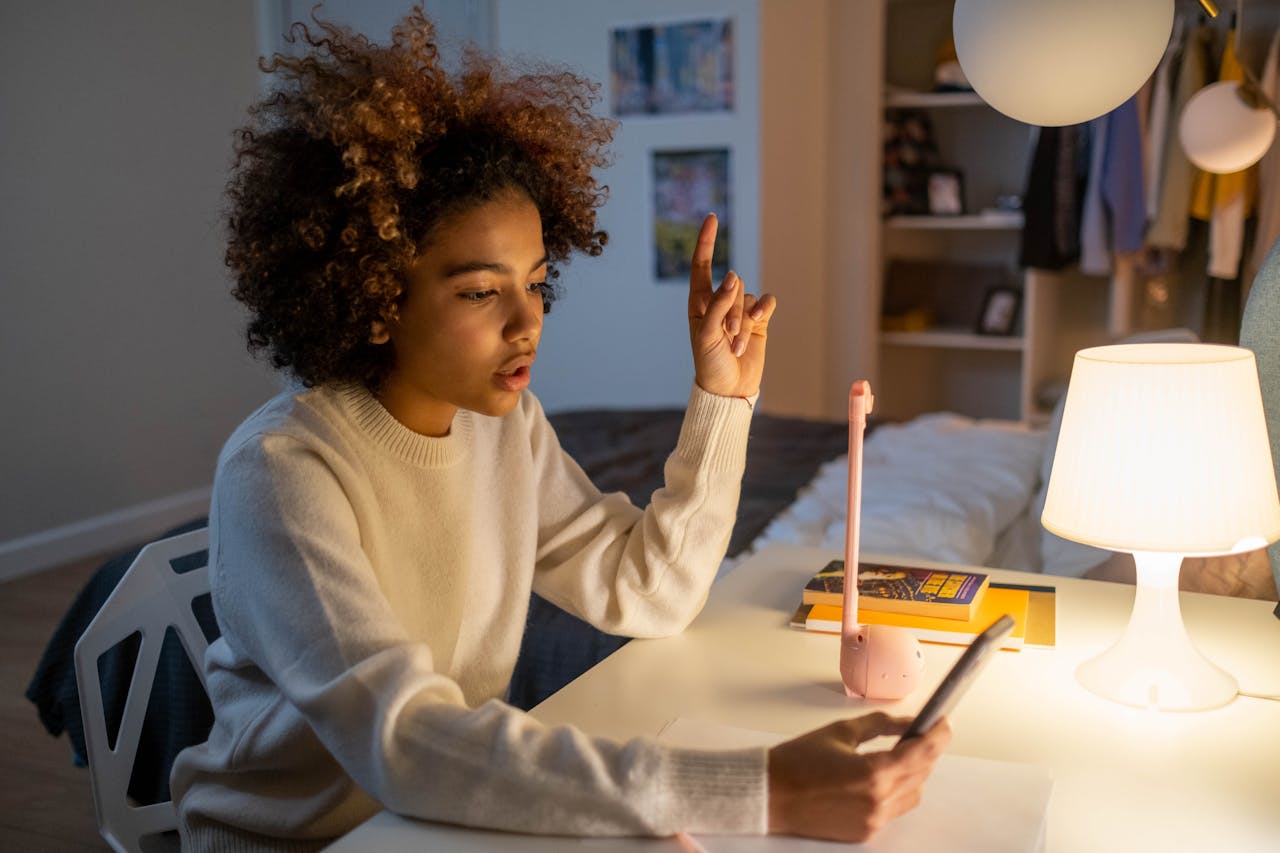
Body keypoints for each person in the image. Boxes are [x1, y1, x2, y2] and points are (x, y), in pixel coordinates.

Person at [170, 9, 950, 851]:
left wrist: (721, 403)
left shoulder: (505, 432)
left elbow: (649, 594)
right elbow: (404, 742)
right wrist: (755, 791)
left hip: (442, 813)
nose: (528, 323)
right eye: (479, 292)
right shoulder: (284, 471)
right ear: (372, 297)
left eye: (537, 282)